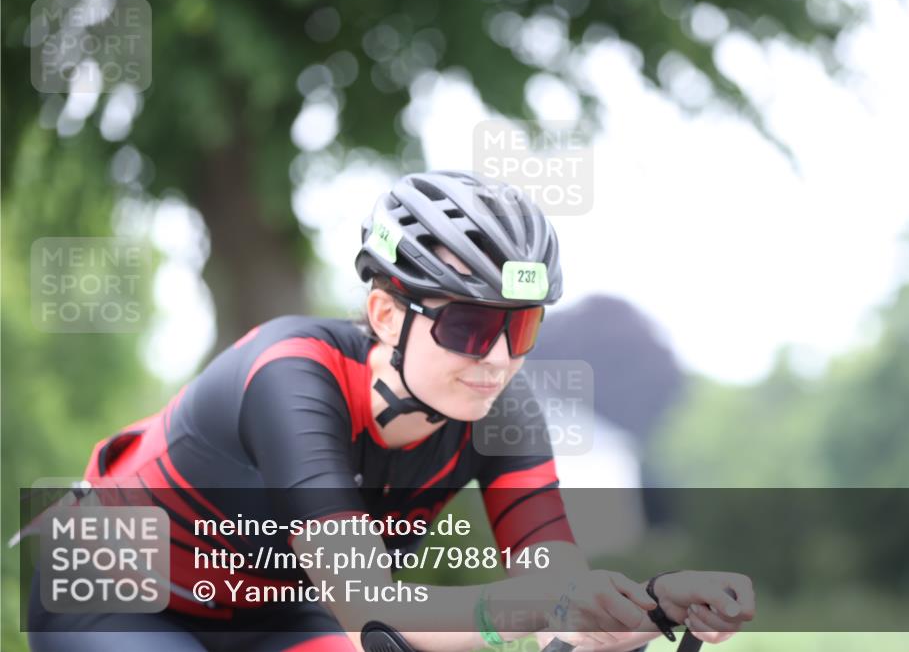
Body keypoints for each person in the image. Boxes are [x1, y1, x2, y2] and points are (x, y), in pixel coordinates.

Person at [23, 171, 753, 652]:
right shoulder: (291, 375)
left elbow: (560, 601)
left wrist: (650, 605)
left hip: (274, 609)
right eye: (469, 326)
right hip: (117, 589)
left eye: (522, 327)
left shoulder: (505, 406)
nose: (498, 358)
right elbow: (371, 603)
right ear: (385, 314)